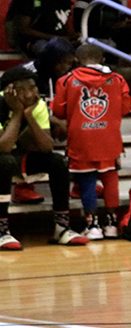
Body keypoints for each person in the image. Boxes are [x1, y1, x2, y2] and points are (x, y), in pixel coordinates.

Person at [0, 67, 89, 250]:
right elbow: (4, 147)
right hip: (3, 155)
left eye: (34, 87)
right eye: (28, 89)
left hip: (15, 154)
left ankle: (62, 227)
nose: (34, 93)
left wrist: (28, 116)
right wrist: (17, 113)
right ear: (12, 90)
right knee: (5, 162)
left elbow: (46, 147)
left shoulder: (36, 104)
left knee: (57, 161)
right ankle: (1, 230)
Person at [51, 44, 131, 240]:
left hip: (81, 140)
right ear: (102, 59)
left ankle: (93, 226)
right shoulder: (118, 79)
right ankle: (111, 225)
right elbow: (125, 108)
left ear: (77, 60)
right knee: (111, 182)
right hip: (110, 139)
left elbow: (59, 111)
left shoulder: (66, 80)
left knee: (87, 182)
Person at [11, 37, 76, 204]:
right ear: (51, 59)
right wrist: (56, 121)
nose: (66, 67)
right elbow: (22, 109)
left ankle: (82, 181)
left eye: (69, 63)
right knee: (31, 128)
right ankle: (23, 186)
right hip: (16, 121)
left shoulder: (63, 75)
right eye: (63, 63)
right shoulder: (26, 75)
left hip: (46, 120)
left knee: (85, 124)